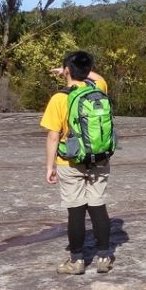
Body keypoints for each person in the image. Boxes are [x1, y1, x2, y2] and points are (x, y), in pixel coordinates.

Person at [42, 50, 114, 275]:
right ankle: (103, 257)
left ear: (66, 71)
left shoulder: (59, 98)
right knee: (98, 206)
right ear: (87, 70)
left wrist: (50, 166)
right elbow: (98, 77)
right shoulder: (98, 89)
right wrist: (77, 69)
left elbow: (53, 136)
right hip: (99, 160)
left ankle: (77, 261)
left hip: (70, 162)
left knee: (76, 211)